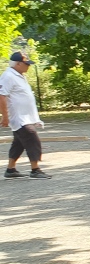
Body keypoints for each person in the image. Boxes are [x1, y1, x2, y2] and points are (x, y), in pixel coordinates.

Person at [1, 51, 51, 179]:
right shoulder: (8, 76)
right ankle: (35, 169)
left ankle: (10, 169)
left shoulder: (19, 76)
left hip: (25, 117)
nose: (28, 66)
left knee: (19, 142)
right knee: (31, 138)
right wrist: (5, 117)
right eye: (26, 63)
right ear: (17, 64)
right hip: (18, 117)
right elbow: (2, 96)